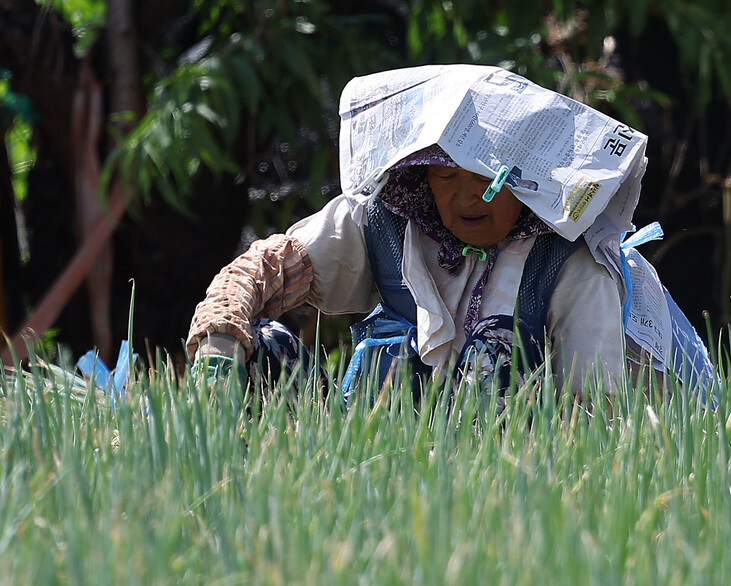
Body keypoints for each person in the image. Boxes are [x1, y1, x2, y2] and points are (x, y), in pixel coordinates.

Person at [186, 65, 654, 408]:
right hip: (367, 458)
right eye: (446, 178)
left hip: (504, 470)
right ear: (421, 178)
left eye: (483, 181)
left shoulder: (570, 265)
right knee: (266, 346)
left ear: (520, 182)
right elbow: (265, 268)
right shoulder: (387, 223)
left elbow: (594, 406)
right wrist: (219, 342)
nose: (467, 199)